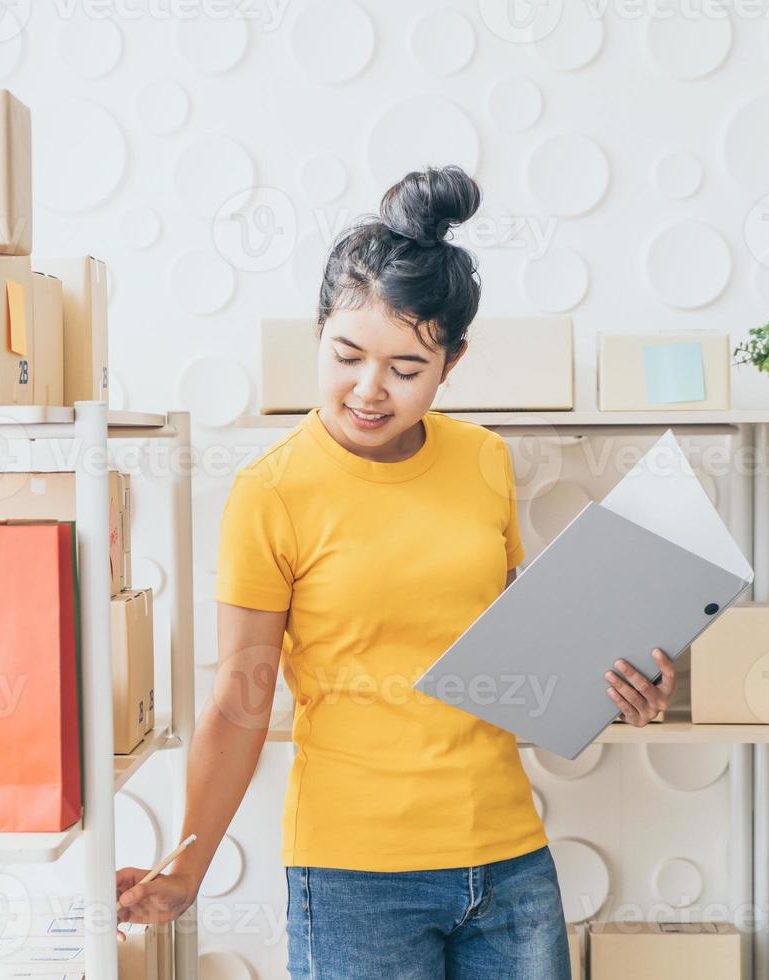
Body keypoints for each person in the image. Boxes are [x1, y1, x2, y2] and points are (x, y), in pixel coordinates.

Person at [115, 165, 676, 979]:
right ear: (319, 335)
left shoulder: (482, 460)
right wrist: (187, 867)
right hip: (352, 878)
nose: (368, 391)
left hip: (509, 861)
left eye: (405, 369)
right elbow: (240, 702)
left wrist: (621, 688)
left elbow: (519, 646)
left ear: (450, 362)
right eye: (345, 356)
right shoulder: (271, 493)